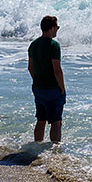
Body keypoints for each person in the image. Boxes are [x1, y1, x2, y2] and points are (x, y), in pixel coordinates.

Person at [28, 15, 65, 143]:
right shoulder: (54, 45)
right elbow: (57, 70)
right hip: (52, 88)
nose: (57, 30)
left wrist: (37, 80)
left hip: (38, 88)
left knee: (41, 119)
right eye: (57, 27)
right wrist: (62, 87)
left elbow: (30, 68)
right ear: (51, 28)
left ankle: (37, 146)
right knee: (56, 121)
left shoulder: (33, 44)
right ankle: (54, 151)